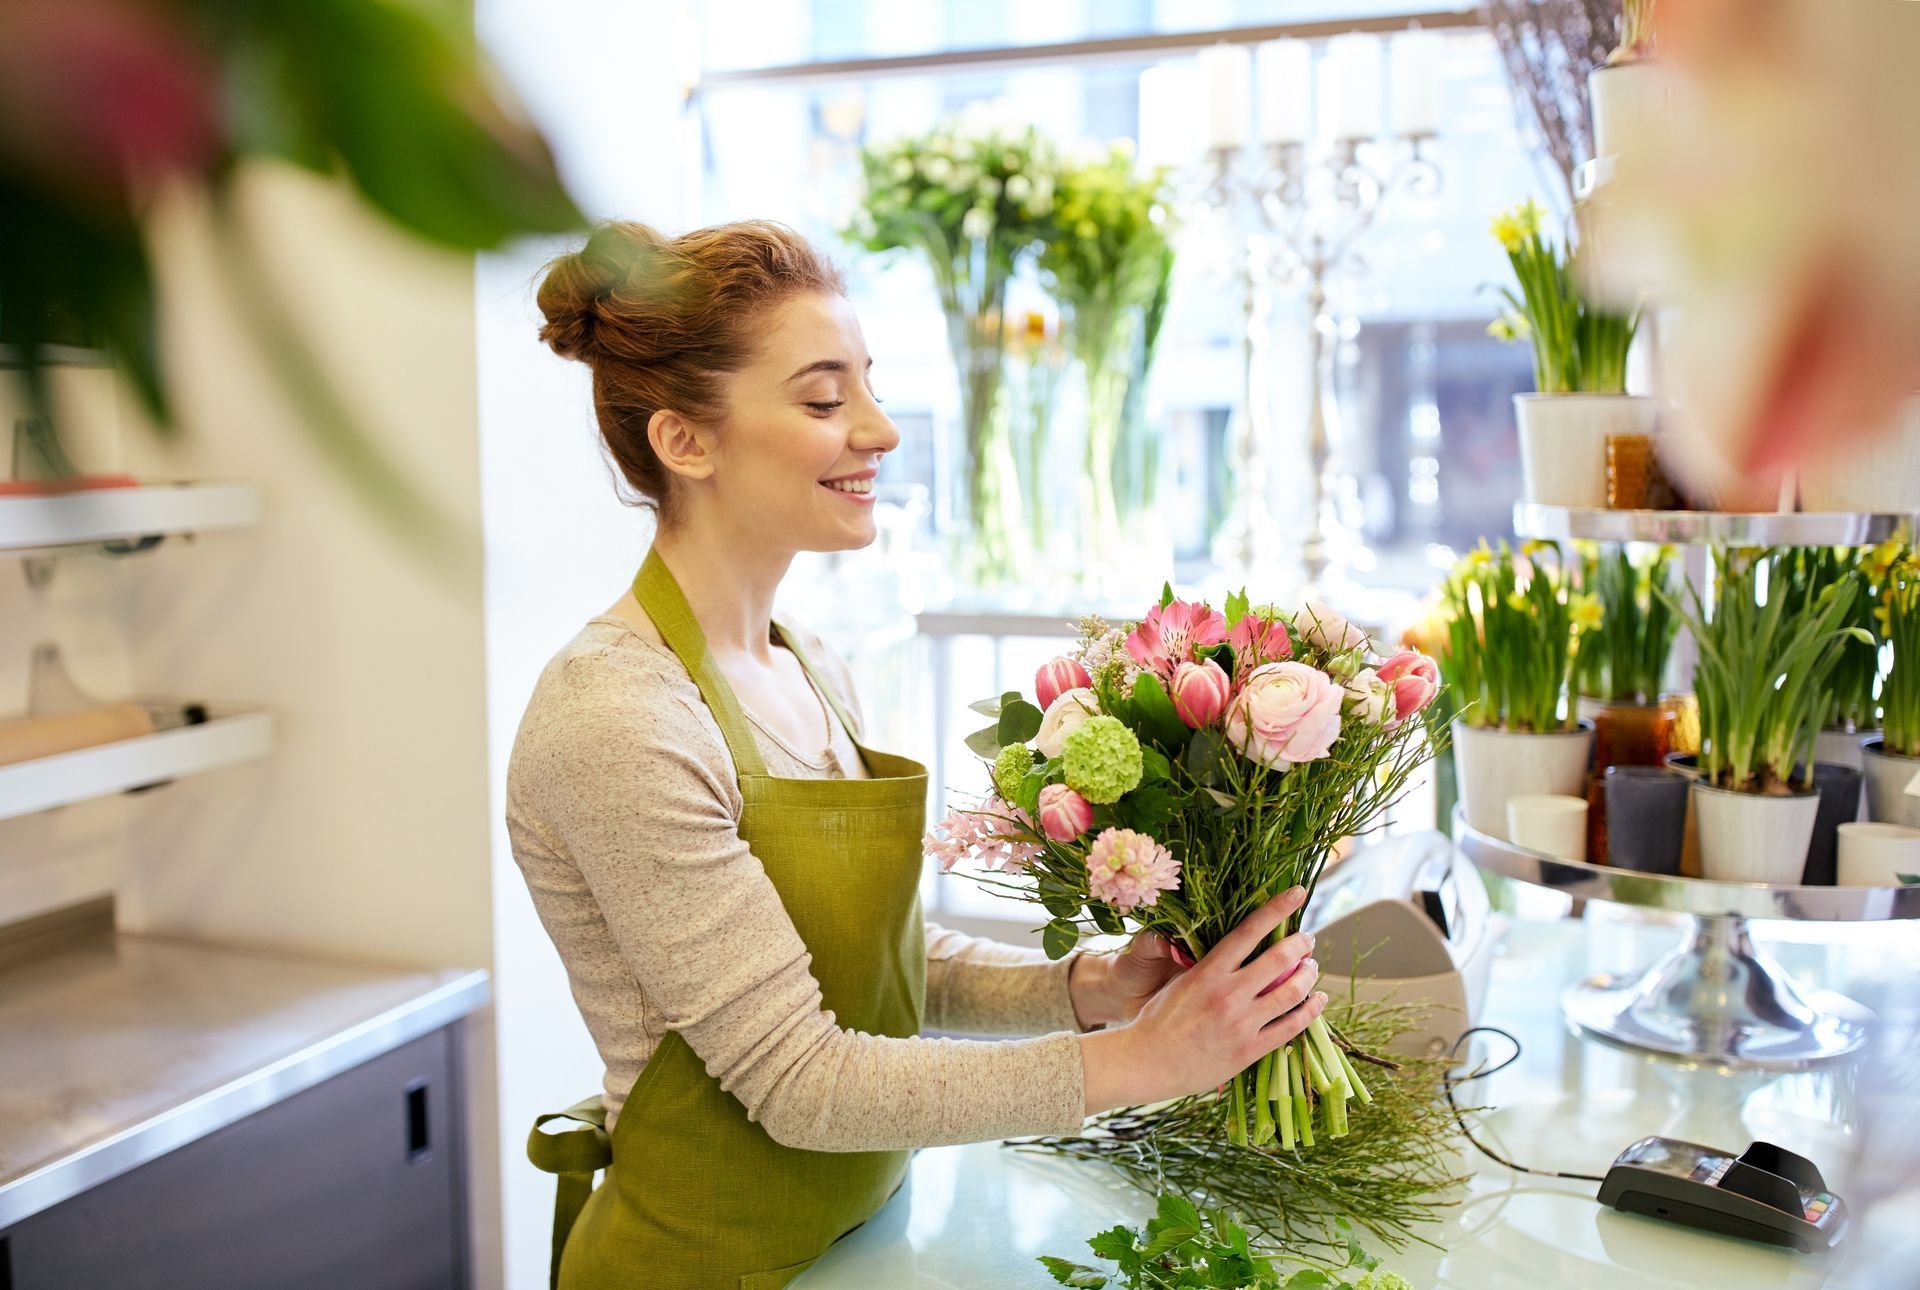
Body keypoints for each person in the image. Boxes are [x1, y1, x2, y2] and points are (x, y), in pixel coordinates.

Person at [506, 220, 1327, 1290]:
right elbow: (800, 1079)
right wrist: (1138, 1063)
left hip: (865, 1245)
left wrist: (1091, 991)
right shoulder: (617, 716)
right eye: (822, 399)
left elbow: (879, 963)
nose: (882, 430)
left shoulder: (808, 664)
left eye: (869, 387)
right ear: (686, 442)